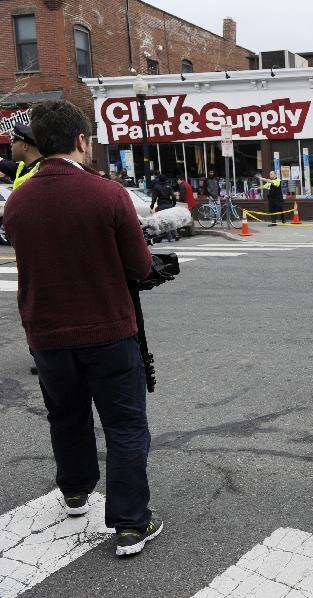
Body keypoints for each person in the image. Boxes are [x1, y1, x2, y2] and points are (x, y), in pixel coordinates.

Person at [4, 99, 162, 556]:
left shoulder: (17, 201)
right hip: (108, 329)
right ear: (79, 140)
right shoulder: (107, 194)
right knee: (125, 424)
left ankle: (75, 492)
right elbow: (139, 265)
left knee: (66, 416)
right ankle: (132, 522)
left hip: (47, 332)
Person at [0, 123, 45, 375]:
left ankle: (47, 353)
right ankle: (41, 352)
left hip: (42, 250)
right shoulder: (21, 167)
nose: (11, 146)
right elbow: (3, 164)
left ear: (25, 145)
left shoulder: (43, 170)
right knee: (30, 303)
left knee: (40, 303)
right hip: (27, 248)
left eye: (14, 142)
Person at [0, 123, 44, 189]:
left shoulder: (39, 174)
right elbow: (5, 165)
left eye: (13, 141)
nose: (10, 145)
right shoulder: (25, 166)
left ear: (25, 146)